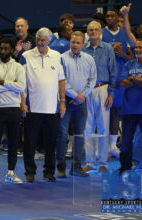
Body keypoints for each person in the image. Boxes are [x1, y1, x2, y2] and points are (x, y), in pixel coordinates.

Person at [20, 28, 66, 182]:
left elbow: (61, 80)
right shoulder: (26, 56)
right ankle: (30, 172)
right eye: (38, 39)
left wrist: (63, 102)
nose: (40, 43)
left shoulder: (57, 56)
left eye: (43, 40)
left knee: (50, 143)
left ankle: (49, 171)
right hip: (32, 107)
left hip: (52, 108)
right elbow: (21, 81)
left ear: (49, 41)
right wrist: (22, 102)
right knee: (30, 143)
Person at [56, 31, 97, 178]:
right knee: (62, 134)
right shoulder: (61, 58)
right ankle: (60, 167)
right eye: (73, 42)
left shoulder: (89, 59)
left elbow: (92, 79)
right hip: (65, 101)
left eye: (78, 43)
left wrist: (83, 96)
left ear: (83, 44)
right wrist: (75, 95)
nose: (75, 45)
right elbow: (61, 80)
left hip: (81, 102)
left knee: (79, 134)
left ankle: (77, 167)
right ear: (70, 42)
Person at [0, 37, 26, 184]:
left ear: (12, 50)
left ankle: (11, 172)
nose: (3, 51)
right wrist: (11, 85)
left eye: (6, 48)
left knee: (14, 143)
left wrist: (2, 82)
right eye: (1, 48)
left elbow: (21, 87)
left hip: (14, 109)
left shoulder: (18, 67)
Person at [82, 21, 117, 174]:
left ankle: (103, 162)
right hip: (87, 90)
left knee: (103, 126)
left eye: (96, 29)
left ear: (100, 32)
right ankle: (89, 161)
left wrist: (111, 94)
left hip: (103, 88)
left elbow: (113, 72)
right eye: (91, 30)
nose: (93, 32)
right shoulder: (83, 49)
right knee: (87, 126)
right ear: (87, 32)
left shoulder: (108, 48)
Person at [102, 9, 134, 158]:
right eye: (107, 16)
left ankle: (113, 145)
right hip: (104, 77)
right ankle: (102, 145)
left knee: (115, 112)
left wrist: (121, 53)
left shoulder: (124, 34)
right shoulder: (101, 33)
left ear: (117, 17)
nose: (109, 18)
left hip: (120, 77)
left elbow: (131, 58)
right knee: (102, 113)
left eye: (112, 16)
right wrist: (110, 50)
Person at [118, 39, 142, 174]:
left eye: (140, 47)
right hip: (129, 109)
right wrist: (138, 82)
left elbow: (129, 81)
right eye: (136, 48)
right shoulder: (128, 64)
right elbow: (123, 83)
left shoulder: (130, 69)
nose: (138, 50)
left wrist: (133, 79)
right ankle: (125, 165)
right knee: (126, 140)